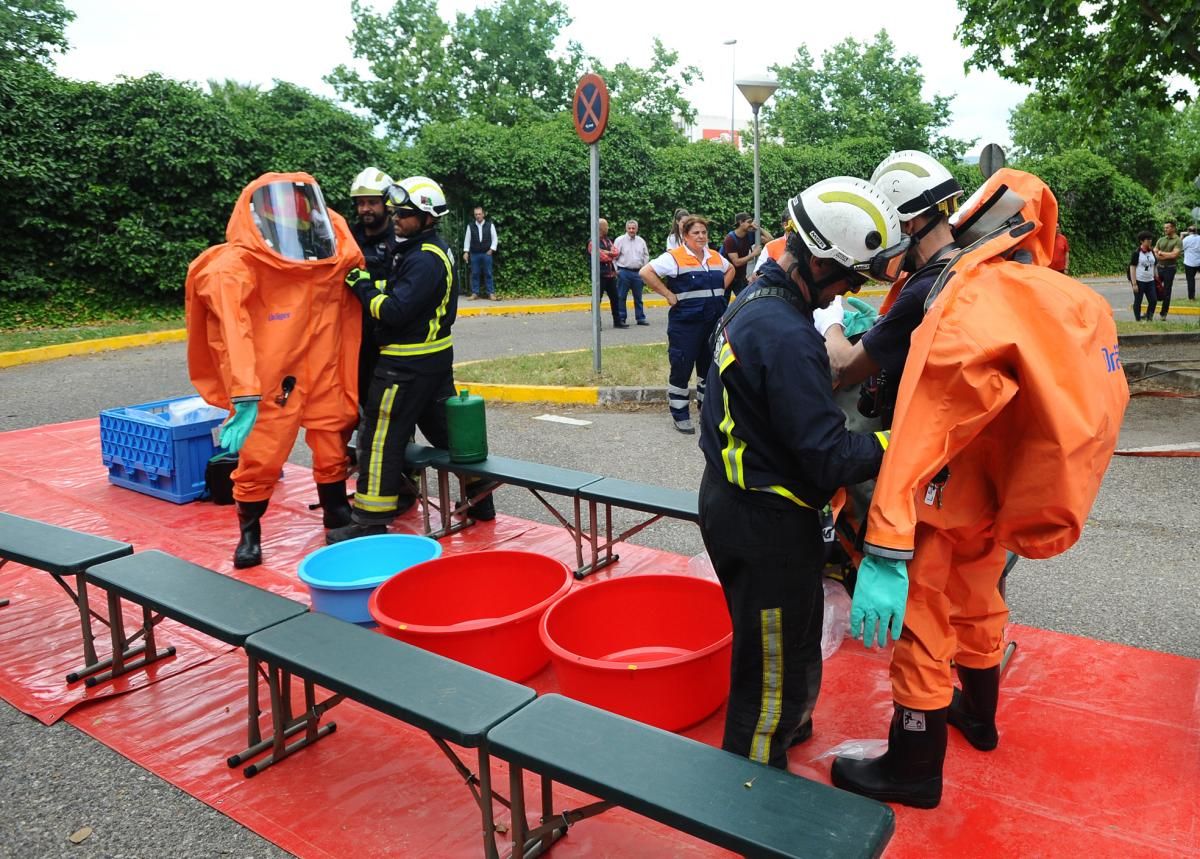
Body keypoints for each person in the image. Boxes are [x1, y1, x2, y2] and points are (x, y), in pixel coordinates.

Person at [830, 168, 1129, 810]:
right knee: (979, 600)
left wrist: (884, 541)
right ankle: (980, 719)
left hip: (941, 493)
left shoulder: (950, 295)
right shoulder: (1015, 278)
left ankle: (912, 766)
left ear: (907, 222)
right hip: (996, 491)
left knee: (922, 623)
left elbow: (929, 416)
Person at [697, 176, 908, 769]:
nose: (850, 290)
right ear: (815, 259)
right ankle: (755, 787)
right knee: (770, 671)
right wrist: (898, 440)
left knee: (788, 641)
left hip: (743, 504)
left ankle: (790, 726)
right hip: (766, 525)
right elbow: (831, 457)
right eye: (849, 276)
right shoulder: (787, 335)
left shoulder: (759, 302)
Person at [186, 172, 363, 567]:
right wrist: (245, 393)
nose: (290, 216)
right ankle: (250, 533)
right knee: (261, 455)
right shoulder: (235, 267)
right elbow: (233, 332)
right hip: (272, 379)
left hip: (323, 368)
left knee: (332, 435)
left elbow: (350, 256)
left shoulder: (329, 247)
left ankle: (336, 512)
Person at [329, 176, 493, 542]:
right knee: (448, 436)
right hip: (432, 362)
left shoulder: (423, 258)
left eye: (404, 213)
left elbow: (394, 311)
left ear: (428, 217)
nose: (396, 218)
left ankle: (369, 520)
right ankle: (481, 500)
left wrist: (359, 284)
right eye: (395, 211)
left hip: (404, 366)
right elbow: (405, 291)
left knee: (379, 438)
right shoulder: (424, 250)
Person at [820, 150, 964, 407]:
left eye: (889, 226)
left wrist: (829, 319)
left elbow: (846, 367)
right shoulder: (966, 265)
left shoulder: (924, 291)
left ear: (908, 225)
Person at [639, 215, 733, 433]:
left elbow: (730, 270)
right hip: (686, 325)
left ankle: (706, 411)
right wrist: (668, 294)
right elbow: (646, 272)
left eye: (703, 232)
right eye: (695, 233)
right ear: (685, 236)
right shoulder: (675, 257)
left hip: (712, 323)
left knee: (709, 370)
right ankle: (680, 415)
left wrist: (720, 291)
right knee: (681, 368)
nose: (701, 236)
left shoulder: (715, 257)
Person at [348, 167, 396, 443]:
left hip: (387, 337)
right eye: (361, 202)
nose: (365, 208)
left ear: (386, 204)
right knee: (360, 401)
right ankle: (364, 458)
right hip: (355, 338)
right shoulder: (348, 238)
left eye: (372, 202)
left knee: (391, 408)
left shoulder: (398, 239)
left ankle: (406, 471)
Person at [722, 212, 773, 298]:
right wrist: (753, 254)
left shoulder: (749, 235)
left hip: (740, 277)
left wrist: (759, 228)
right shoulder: (730, 239)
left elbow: (770, 240)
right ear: (741, 222)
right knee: (723, 304)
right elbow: (736, 262)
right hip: (727, 275)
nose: (751, 224)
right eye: (749, 222)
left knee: (746, 300)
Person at [613, 219, 650, 326]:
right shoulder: (619, 240)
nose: (631, 230)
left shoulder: (641, 241)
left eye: (633, 228)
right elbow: (614, 256)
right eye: (629, 228)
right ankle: (621, 318)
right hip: (624, 272)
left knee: (638, 298)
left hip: (638, 273)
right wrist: (616, 271)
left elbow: (645, 255)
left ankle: (640, 318)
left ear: (637, 229)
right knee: (621, 296)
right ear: (626, 228)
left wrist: (644, 269)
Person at [588, 218, 622, 328]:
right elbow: (600, 257)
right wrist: (609, 254)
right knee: (597, 300)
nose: (608, 228)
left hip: (611, 275)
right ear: (601, 228)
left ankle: (617, 322)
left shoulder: (607, 240)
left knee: (615, 298)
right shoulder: (592, 242)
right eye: (606, 226)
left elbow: (616, 252)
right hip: (599, 276)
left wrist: (608, 253)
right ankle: (597, 324)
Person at [462, 206, 498, 300]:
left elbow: (495, 238)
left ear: (483, 214)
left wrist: (492, 249)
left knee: (488, 273)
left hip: (487, 254)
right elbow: (467, 240)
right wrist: (466, 252)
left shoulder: (490, 225)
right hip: (474, 254)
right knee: (475, 273)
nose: (478, 216)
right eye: (476, 214)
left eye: (479, 214)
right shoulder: (470, 226)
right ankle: (475, 293)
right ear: (474, 215)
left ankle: (491, 293)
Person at [1154, 221, 1182, 318]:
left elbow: (1174, 254)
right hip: (1159, 268)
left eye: (1167, 228)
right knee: (1153, 288)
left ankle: (1163, 314)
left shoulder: (1177, 240)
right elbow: (1155, 250)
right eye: (1165, 228)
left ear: (1173, 228)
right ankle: (1150, 311)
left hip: (1169, 269)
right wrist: (1161, 254)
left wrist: (1161, 253)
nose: (1165, 229)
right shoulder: (1161, 239)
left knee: (1167, 291)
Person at [1130, 231, 1158, 322]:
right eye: (1147, 239)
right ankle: (1137, 319)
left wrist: (1156, 278)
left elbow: (1154, 265)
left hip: (1150, 281)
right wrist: (1134, 283)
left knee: (1153, 300)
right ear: (1141, 241)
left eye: (1151, 239)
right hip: (1139, 280)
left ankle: (1149, 318)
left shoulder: (1152, 252)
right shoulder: (1137, 253)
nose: (1150, 241)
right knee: (1138, 301)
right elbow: (1132, 267)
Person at [1182, 224, 1200, 301]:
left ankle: (1191, 298)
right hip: (1199, 261)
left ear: (1188, 231)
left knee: (1190, 280)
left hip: (1189, 263)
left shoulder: (1186, 239)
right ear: (1196, 231)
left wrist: (1182, 236)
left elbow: (1180, 248)